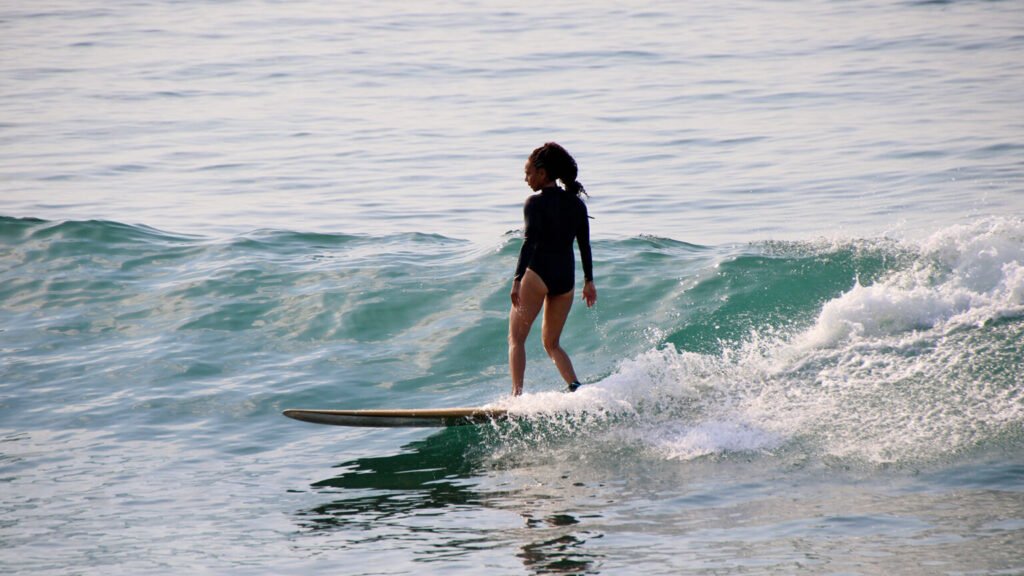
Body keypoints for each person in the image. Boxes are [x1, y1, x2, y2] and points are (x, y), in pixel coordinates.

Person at [509, 142, 597, 396]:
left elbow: (529, 242)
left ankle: (516, 397)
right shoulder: (577, 205)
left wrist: (517, 280)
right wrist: (589, 281)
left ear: (543, 173)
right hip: (565, 280)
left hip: (537, 274)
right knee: (552, 343)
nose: (526, 179)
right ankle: (576, 389)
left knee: (516, 340)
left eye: (528, 173)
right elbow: (585, 246)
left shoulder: (533, 203)